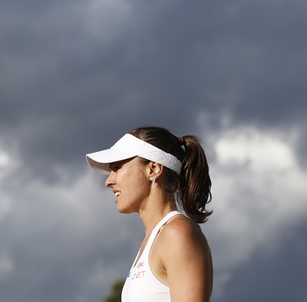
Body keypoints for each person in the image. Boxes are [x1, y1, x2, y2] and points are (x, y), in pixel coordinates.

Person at [86, 126, 213, 302]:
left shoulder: (177, 233)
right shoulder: (154, 239)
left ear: (153, 169)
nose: (109, 181)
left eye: (117, 168)